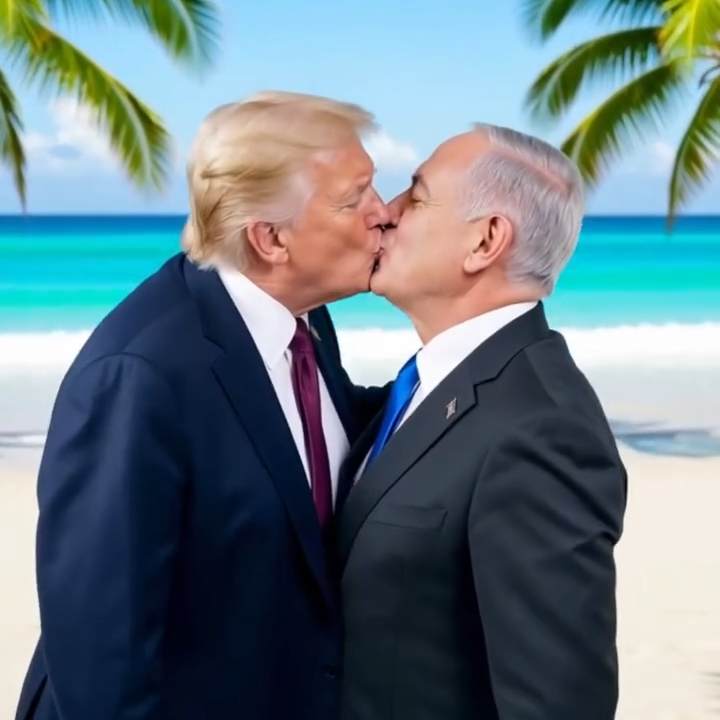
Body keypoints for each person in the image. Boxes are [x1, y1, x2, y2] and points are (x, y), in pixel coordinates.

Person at [15, 91, 390, 720]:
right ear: (271, 238)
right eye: (355, 200)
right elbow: (102, 664)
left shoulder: (302, 319)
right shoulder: (139, 378)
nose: (385, 213)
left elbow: (318, 439)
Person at [338, 124, 627, 720]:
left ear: (486, 240)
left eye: (416, 196)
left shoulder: (541, 430)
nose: (385, 212)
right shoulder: (430, 385)